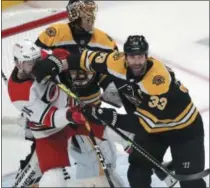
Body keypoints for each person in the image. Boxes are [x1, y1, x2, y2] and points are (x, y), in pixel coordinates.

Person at [33, 35, 207, 188]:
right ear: (125, 57)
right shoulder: (115, 62)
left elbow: (140, 124)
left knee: (191, 182)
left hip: (184, 131)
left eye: (140, 56)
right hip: (155, 131)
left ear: (146, 57)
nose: (136, 61)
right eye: (132, 56)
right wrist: (57, 63)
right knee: (137, 173)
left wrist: (107, 116)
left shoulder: (157, 80)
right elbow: (85, 59)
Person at [13, 0, 126, 187]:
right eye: (85, 15)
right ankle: (29, 179)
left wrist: (111, 87)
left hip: (89, 107)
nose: (91, 19)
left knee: (106, 158)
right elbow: (34, 67)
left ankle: (92, 181)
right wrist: (31, 106)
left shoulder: (105, 41)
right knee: (44, 156)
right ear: (74, 16)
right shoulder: (54, 35)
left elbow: (107, 71)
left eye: (92, 14)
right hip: (59, 106)